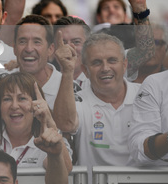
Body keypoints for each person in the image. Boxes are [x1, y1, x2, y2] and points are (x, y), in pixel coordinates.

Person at [54, 33, 138, 173]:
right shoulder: (78, 99)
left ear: (124, 65)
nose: (105, 68)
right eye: (96, 62)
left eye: (112, 60)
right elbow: (65, 124)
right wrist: (67, 71)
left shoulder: (145, 95)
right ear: (85, 71)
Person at [0, 72, 72, 171]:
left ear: (37, 104)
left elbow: (66, 170)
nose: (14, 106)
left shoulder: (49, 140)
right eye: (7, 99)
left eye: (22, 98)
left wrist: (51, 124)